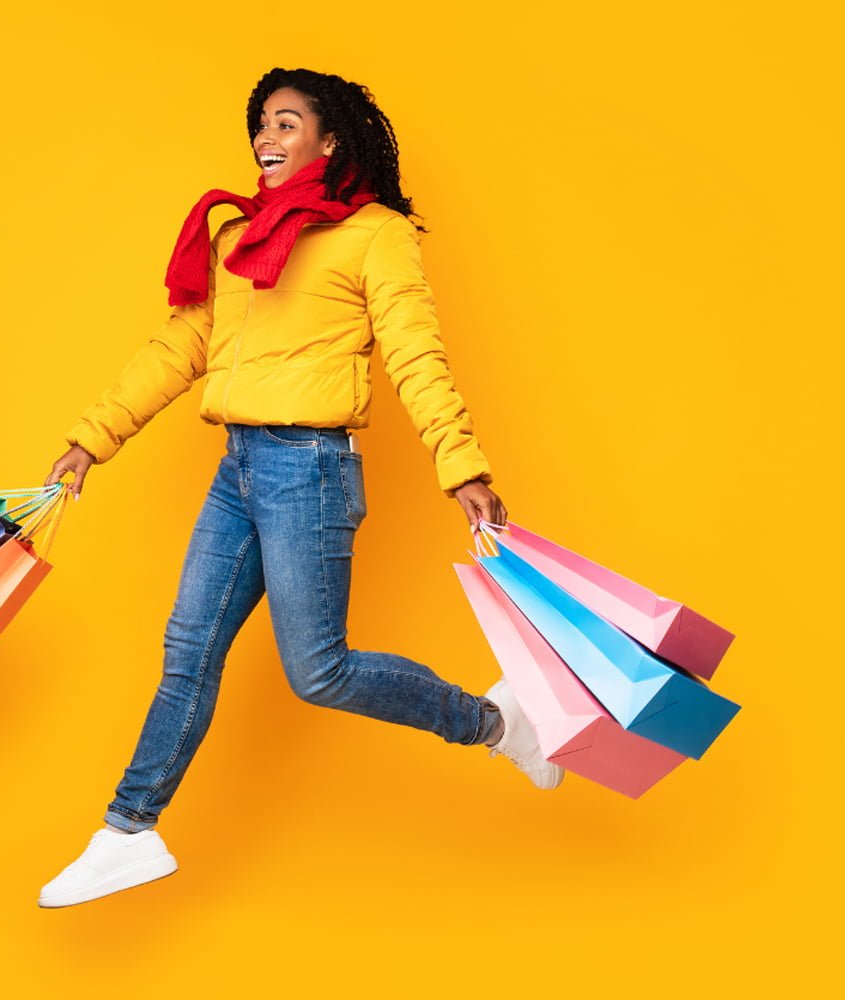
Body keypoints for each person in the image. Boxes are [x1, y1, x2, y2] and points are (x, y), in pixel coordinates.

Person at [36, 68, 561, 909]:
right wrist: (90, 440)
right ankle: (127, 831)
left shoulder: (375, 235)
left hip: (308, 471)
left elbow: (414, 351)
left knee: (316, 672)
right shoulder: (240, 239)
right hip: (238, 467)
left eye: (286, 124)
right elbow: (181, 346)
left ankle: (497, 724)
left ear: (330, 140)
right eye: (261, 126)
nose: (266, 139)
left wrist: (462, 465)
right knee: (188, 653)